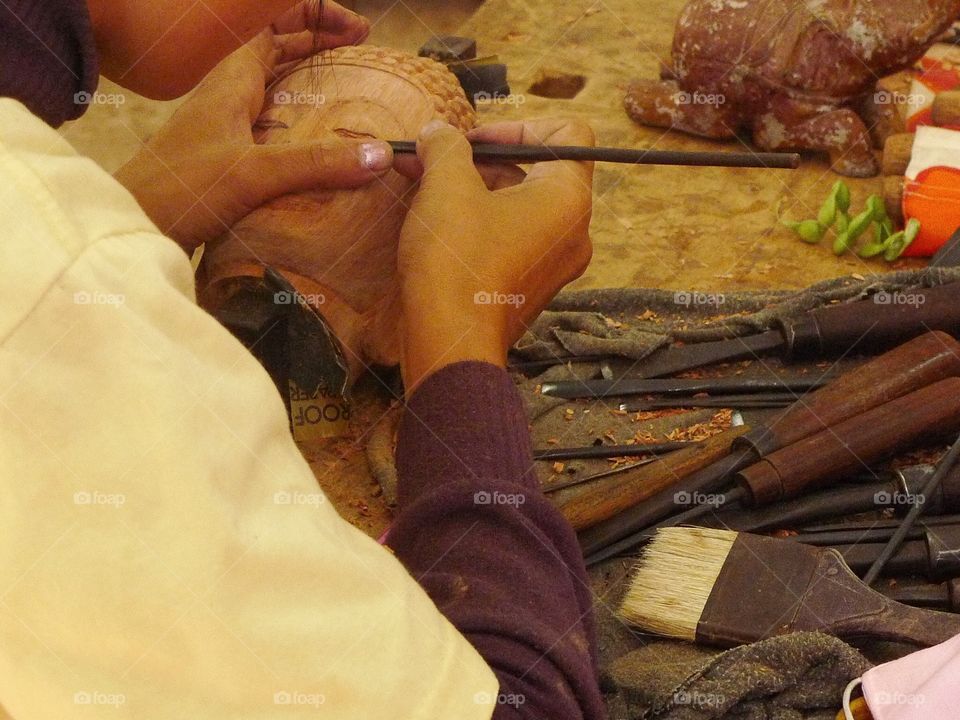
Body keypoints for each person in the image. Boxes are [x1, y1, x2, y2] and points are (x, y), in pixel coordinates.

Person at [0, 1, 602, 718]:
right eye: (282, 135)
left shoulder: (58, 250)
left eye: (354, 147)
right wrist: (459, 336)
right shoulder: (51, 267)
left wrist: (130, 214)